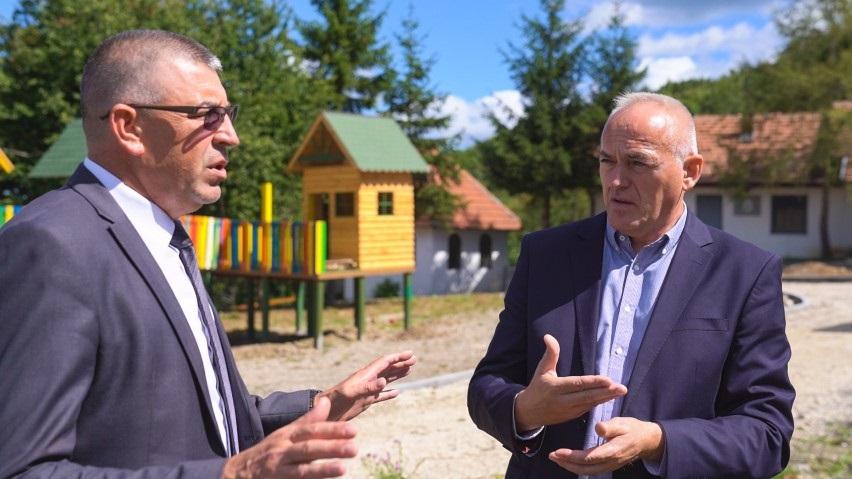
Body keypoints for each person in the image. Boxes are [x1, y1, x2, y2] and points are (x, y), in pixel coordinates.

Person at [0, 29, 416, 478]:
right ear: (129, 127)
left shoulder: (165, 236)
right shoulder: (51, 244)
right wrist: (232, 474)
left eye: (228, 115)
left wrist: (322, 404)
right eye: (208, 115)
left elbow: (208, 419)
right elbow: (23, 470)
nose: (231, 136)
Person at [467, 91, 795, 478]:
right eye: (607, 161)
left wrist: (659, 441)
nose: (616, 181)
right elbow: (486, 385)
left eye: (638, 163)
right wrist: (525, 409)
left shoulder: (745, 272)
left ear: (689, 172)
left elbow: (767, 434)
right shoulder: (545, 254)